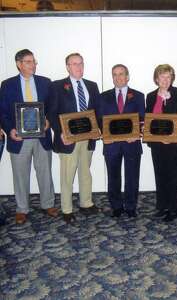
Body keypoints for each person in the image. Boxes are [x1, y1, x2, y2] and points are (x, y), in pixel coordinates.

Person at [0, 49, 57, 224]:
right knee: (20, 174)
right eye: (28, 62)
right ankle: (22, 209)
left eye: (34, 61)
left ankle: (48, 203)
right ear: (19, 64)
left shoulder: (45, 82)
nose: (33, 65)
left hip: (42, 136)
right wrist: (10, 130)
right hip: (19, 137)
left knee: (45, 171)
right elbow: (3, 112)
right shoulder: (7, 85)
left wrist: (48, 121)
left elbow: (53, 107)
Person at [48, 53, 100, 224]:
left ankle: (86, 203)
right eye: (74, 64)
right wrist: (60, 132)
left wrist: (98, 128)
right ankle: (67, 209)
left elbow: (97, 111)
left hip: (87, 137)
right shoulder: (57, 86)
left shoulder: (92, 86)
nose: (79, 67)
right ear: (68, 67)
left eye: (81, 63)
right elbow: (52, 113)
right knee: (67, 176)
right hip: (68, 139)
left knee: (86, 172)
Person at [97, 64, 145, 218]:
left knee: (132, 176)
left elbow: (142, 119)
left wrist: (137, 134)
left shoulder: (138, 96)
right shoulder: (103, 96)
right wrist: (104, 135)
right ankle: (116, 206)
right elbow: (99, 119)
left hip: (132, 143)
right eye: (115, 74)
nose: (118, 77)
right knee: (113, 176)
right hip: (111, 145)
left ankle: (131, 206)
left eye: (121, 74)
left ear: (127, 76)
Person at [145, 64, 177, 222]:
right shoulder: (150, 96)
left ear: (172, 78)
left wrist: (168, 101)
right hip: (157, 144)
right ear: (156, 79)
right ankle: (162, 206)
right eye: (162, 76)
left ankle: (175, 208)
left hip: (174, 144)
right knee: (160, 174)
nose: (165, 80)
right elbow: (149, 119)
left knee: (174, 175)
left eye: (168, 76)